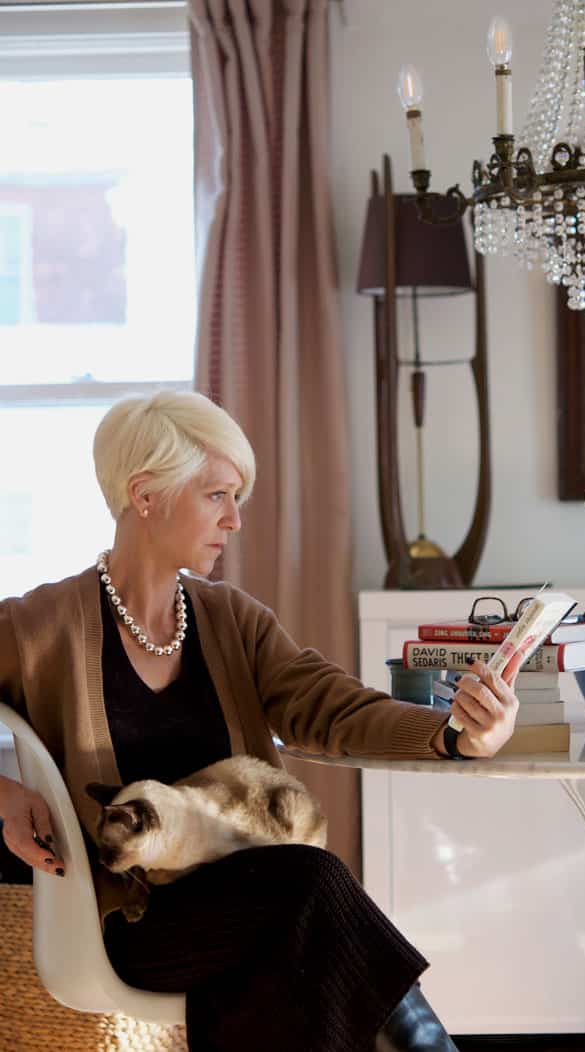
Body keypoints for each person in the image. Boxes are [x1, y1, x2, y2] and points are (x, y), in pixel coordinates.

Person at [0, 390, 520, 1052]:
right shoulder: (39, 627)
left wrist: (452, 733)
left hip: (258, 906)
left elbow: (332, 706)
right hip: (137, 919)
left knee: (290, 938)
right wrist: (5, 795)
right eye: (218, 494)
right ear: (146, 494)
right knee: (307, 884)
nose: (235, 519)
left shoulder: (232, 620)